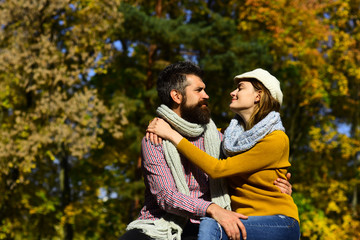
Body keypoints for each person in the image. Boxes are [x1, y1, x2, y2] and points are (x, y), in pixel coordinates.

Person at [120, 62, 292, 240]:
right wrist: (211, 208)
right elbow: (166, 196)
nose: (206, 95)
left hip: (210, 222)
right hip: (163, 222)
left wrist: (278, 183)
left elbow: (245, 167)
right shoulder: (156, 138)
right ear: (177, 96)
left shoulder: (221, 139)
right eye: (199, 90)